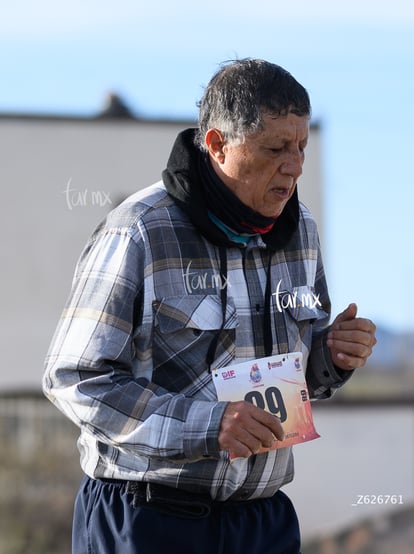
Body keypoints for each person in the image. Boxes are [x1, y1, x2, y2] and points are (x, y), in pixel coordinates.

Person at [43, 59, 376, 554]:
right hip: (147, 520)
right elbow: (73, 379)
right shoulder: (138, 229)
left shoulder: (300, 230)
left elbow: (297, 370)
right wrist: (209, 424)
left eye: (302, 146)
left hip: (264, 522)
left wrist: (330, 355)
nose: (295, 166)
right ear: (217, 144)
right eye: (276, 148)